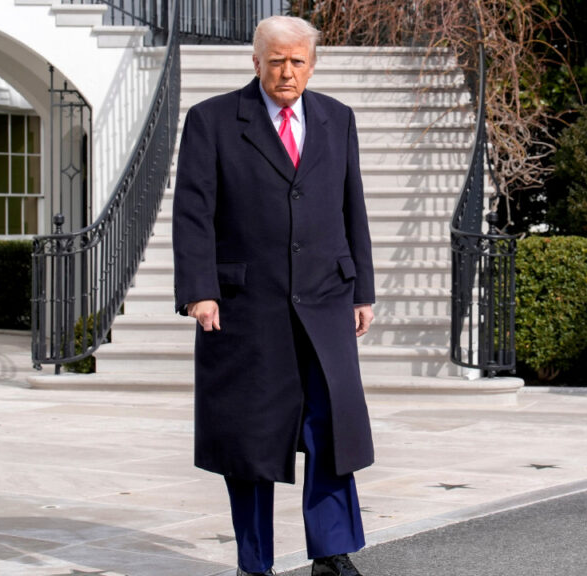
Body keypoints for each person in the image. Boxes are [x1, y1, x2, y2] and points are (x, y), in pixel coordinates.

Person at [172, 15, 376, 576]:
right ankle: (253, 562)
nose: (287, 72)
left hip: (327, 301)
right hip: (245, 308)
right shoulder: (211, 120)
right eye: (277, 60)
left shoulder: (337, 119)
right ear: (255, 61)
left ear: (313, 64)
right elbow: (192, 214)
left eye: (298, 61)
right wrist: (199, 291)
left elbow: (350, 206)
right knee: (251, 441)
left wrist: (362, 289)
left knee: (331, 430)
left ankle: (332, 554)